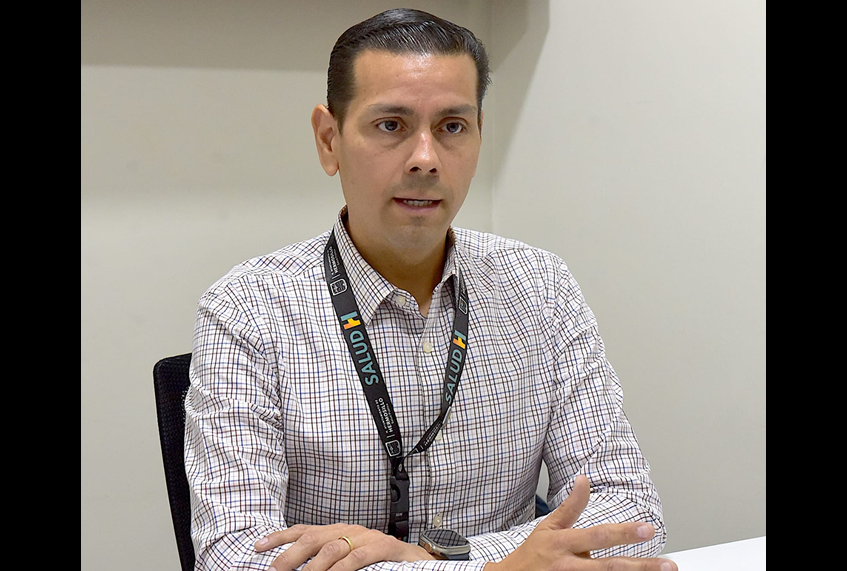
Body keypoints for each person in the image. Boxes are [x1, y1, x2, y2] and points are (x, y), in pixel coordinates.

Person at [184, 8, 677, 571]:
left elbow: (631, 513)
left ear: (479, 135)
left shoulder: (542, 287)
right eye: (391, 125)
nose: (425, 159)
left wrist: (436, 560)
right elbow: (233, 556)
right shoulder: (245, 311)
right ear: (329, 140)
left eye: (452, 127)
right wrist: (497, 567)